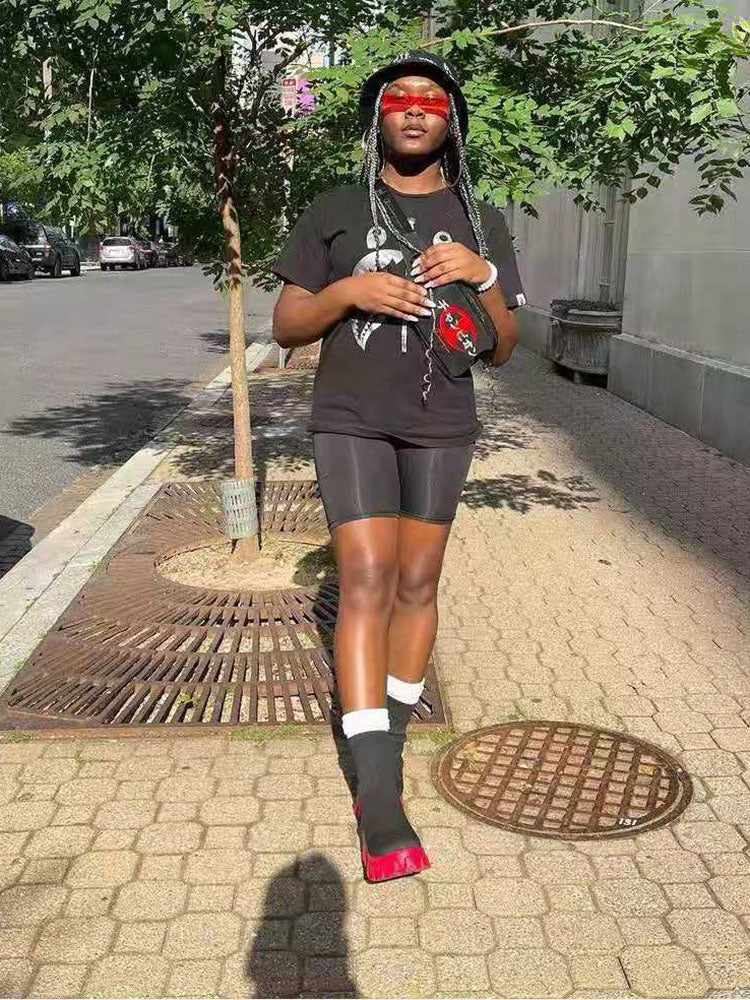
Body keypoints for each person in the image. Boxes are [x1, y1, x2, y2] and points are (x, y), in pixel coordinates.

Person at [272, 50, 525, 882]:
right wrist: (350, 293)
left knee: (418, 584)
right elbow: (286, 325)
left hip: (441, 422)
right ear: (377, 118)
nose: (415, 109)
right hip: (350, 418)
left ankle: (389, 731)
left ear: (451, 122)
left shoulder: (480, 217)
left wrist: (484, 276)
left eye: (432, 101)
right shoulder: (336, 207)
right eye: (399, 99)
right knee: (368, 579)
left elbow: (503, 348)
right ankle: (377, 793)